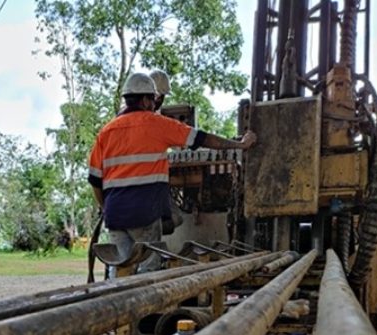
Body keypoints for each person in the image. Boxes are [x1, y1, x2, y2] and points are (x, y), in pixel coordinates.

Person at [88, 72, 257, 272]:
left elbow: (95, 181)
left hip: (115, 215)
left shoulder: (106, 132)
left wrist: (106, 208)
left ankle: (117, 301)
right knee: (147, 270)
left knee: (121, 268)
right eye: (152, 100)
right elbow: (203, 139)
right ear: (144, 100)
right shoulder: (156, 124)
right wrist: (240, 145)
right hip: (145, 214)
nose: (154, 105)